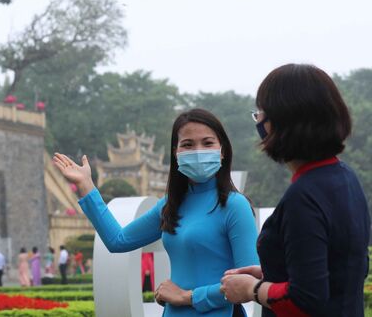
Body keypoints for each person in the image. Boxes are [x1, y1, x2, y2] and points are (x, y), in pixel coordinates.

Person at [53, 108, 259, 316]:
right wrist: (86, 185)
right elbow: (118, 240)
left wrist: (186, 296)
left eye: (207, 143)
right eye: (188, 144)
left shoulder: (235, 206)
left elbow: (249, 282)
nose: (198, 151)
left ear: (222, 150)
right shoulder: (170, 205)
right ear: (175, 152)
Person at [221, 64, 370, 317]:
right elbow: (341, 268)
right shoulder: (345, 178)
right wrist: (271, 273)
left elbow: (305, 299)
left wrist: (252, 289)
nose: (258, 120)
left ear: (281, 121)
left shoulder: (303, 196)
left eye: (261, 112)